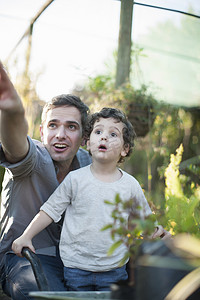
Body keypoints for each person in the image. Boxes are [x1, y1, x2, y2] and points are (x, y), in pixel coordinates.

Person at [12, 107, 171, 292]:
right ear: (88, 143)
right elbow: (49, 210)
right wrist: (26, 236)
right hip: (75, 268)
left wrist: (157, 233)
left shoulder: (130, 185)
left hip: (115, 270)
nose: (104, 137)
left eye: (113, 134)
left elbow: (143, 222)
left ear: (125, 149)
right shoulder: (75, 180)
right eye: (98, 132)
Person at [0, 61, 92, 299]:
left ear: (84, 138)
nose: (60, 135)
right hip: (21, 258)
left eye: (71, 127)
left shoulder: (89, 165)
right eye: (53, 125)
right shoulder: (33, 158)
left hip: (74, 260)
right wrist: (12, 111)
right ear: (42, 132)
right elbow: (16, 143)